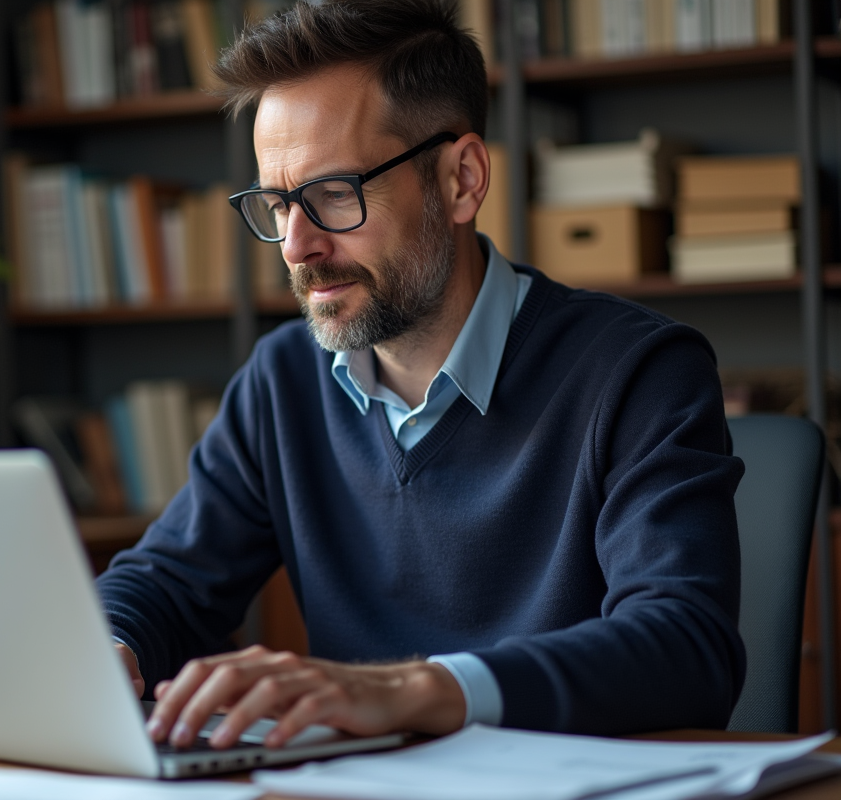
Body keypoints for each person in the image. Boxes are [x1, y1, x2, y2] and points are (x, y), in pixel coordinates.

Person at [97, 0, 746, 752]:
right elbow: (169, 583)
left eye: (334, 193)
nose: (296, 247)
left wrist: (413, 689)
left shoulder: (638, 372)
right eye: (277, 204)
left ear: (461, 179)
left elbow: (686, 648)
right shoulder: (282, 382)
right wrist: (110, 649)